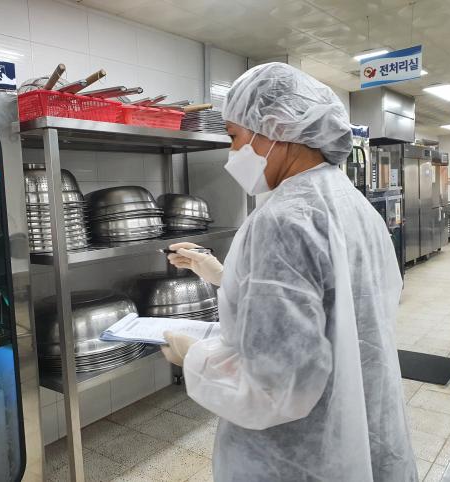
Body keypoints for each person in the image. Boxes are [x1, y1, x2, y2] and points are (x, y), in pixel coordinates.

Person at [161, 62, 417, 482]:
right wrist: (225, 274)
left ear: (276, 128)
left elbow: (277, 388)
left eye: (234, 137)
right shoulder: (348, 200)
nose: (232, 155)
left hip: (303, 456)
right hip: (360, 424)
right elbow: (334, 300)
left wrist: (195, 356)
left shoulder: (283, 218)